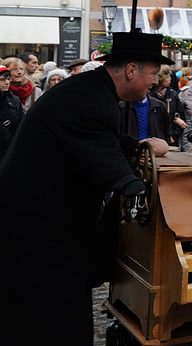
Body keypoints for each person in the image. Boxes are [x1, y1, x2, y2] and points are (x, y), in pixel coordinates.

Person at [0, 31, 171, 343]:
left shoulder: (92, 90)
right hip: (39, 223)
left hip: (44, 216)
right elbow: (102, 156)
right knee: (51, 311)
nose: (155, 82)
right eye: (153, 73)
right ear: (131, 70)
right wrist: (134, 187)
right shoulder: (92, 99)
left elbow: (100, 138)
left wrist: (138, 145)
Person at [153, 64, 188, 151]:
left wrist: (175, 134)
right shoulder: (150, 94)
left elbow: (180, 114)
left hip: (171, 138)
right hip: (154, 137)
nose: (170, 79)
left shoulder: (173, 94)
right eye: (167, 77)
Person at [0, 64, 23, 164]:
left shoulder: (14, 100)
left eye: (8, 79)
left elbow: (21, 122)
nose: (7, 82)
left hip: (11, 153)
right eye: (2, 79)